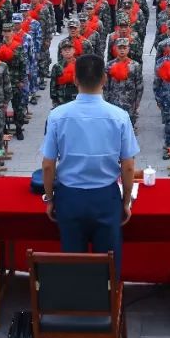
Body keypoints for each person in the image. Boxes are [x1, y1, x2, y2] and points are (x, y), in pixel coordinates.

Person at [40, 54, 139, 269]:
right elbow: (128, 165)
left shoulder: (58, 115)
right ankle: (108, 301)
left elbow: (48, 165)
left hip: (70, 197)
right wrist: (125, 201)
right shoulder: (119, 116)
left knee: (74, 264)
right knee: (109, 265)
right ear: (104, 79)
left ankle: (77, 301)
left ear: (75, 80)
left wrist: (49, 198)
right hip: (105, 197)